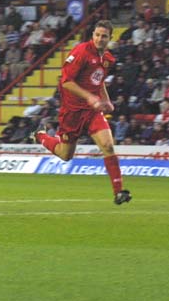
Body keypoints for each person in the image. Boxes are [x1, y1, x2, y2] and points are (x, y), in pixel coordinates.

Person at [33, 20, 132, 205]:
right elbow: (66, 82)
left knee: (108, 146)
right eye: (97, 35)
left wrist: (105, 100)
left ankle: (119, 192)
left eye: (104, 36)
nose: (100, 39)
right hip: (72, 112)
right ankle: (40, 136)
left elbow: (99, 81)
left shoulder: (108, 59)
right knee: (65, 155)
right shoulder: (81, 52)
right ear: (92, 35)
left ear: (110, 38)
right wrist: (89, 97)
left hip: (92, 111)